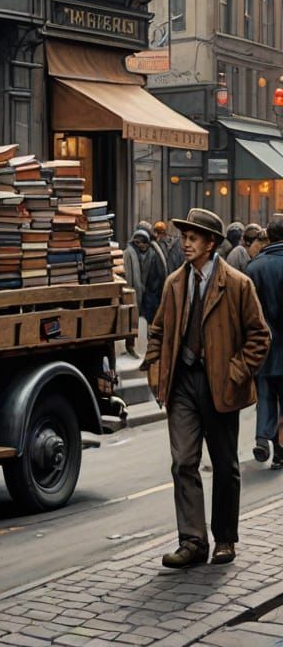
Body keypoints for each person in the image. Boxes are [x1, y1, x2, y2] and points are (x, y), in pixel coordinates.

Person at [142, 207, 269, 568]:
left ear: (211, 243)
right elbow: (158, 330)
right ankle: (193, 541)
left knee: (225, 465)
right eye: (184, 237)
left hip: (220, 385)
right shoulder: (174, 283)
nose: (185, 244)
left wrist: (235, 371)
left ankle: (225, 539)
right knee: (183, 461)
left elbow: (260, 336)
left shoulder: (237, 284)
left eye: (193, 238)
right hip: (182, 383)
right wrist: (155, 367)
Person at [247, 217, 283, 469]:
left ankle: (263, 437)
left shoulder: (253, 267)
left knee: (265, 395)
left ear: (267, 237)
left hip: (263, 346)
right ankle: (281, 451)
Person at [123, 228, 156, 357]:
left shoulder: (144, 254)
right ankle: (129, 345)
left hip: (139, 291)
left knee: (135, 320)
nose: (145, 246)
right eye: (143, 243)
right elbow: (128, 275)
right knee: (131, 320)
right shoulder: (129, 253)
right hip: (131, 292)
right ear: (137, 242)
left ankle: (131, 344)